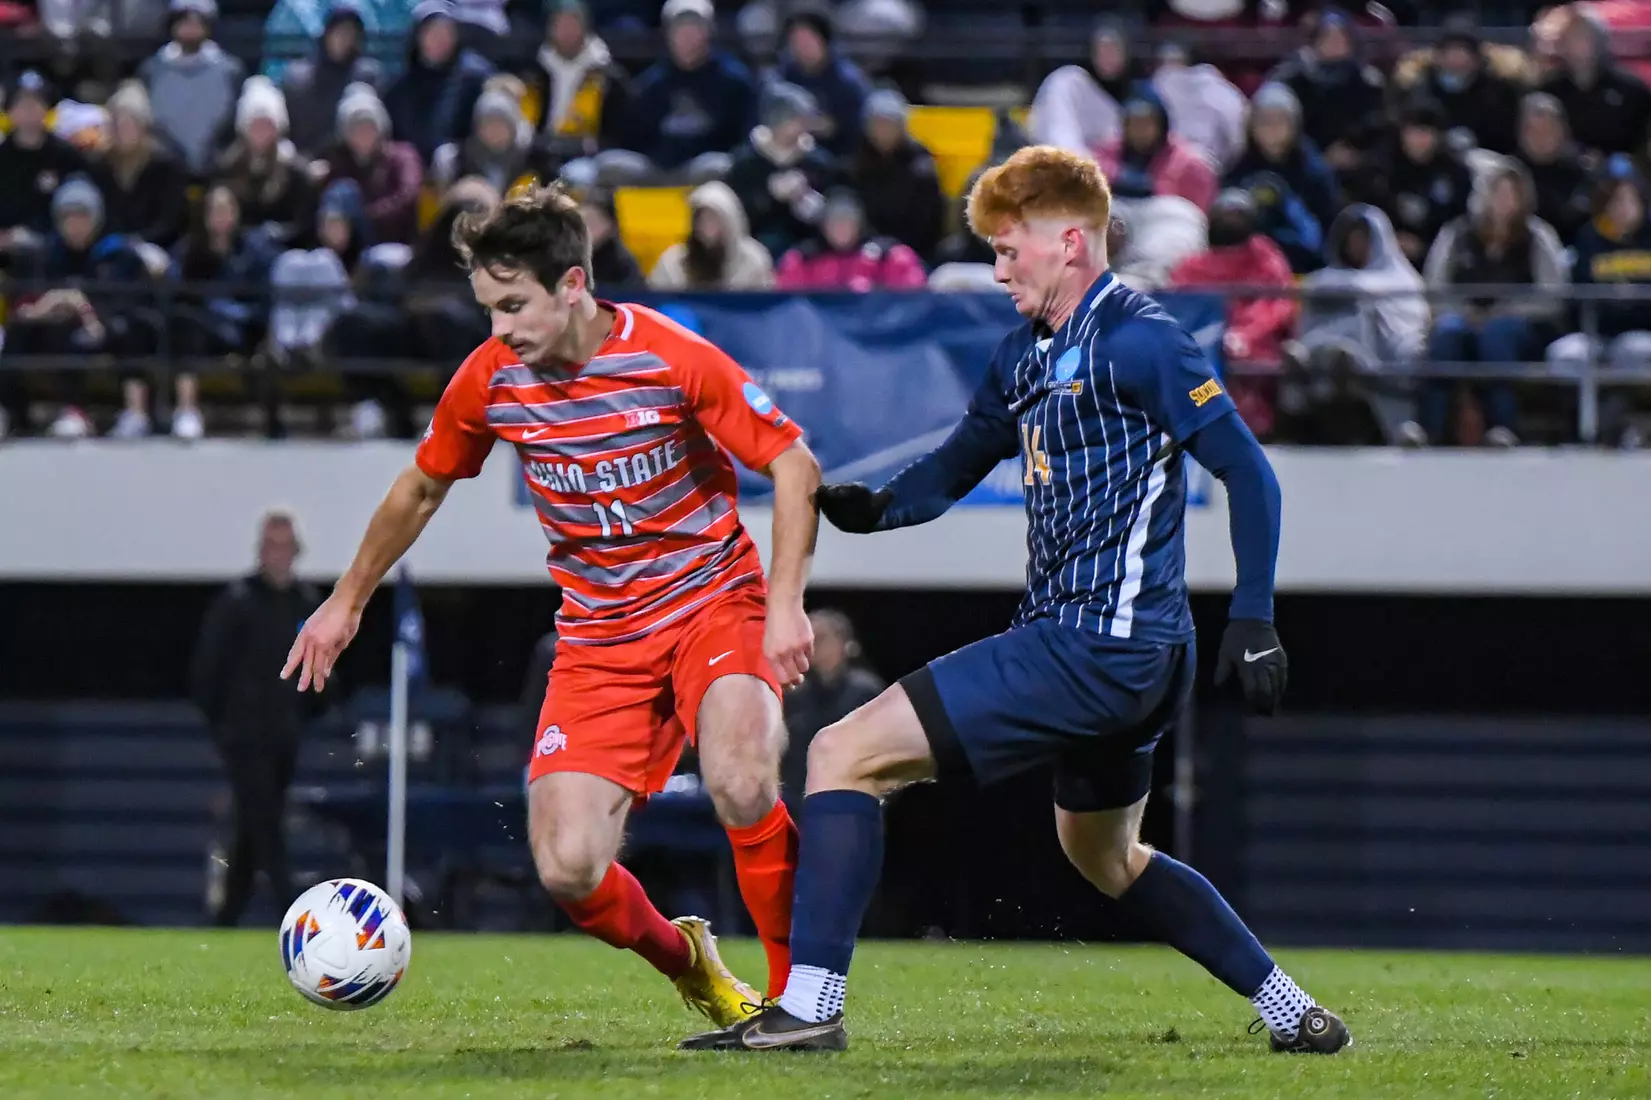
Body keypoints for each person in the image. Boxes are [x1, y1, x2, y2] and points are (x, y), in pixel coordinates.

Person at [680, 146, 1349, 1054]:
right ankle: (1291, 1011)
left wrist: (1256, 615)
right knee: (1104, 856)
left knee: (840, 753)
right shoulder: (1024, 354)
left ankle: (810, 1006)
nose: (996, 271)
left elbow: (1248, 472)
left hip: (1093, 643)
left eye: (1006, 249)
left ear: (1068, 241)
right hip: (1137, 655)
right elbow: (957, 465)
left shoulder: (1141, 339)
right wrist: (876, 510)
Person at [281, 184, 821, 1029]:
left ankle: (801, 1002)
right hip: (600, 638)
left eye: (513, 306)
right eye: (487, 309)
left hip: (712, 604)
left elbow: (793, 464)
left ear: (573, 286)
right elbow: (421, 486)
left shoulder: (670, 357)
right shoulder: (493, 377)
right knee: (568, 868)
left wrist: (785, 604)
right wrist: (344, 604)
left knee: (742, 775)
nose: (499, 328)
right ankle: (692, 966)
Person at [190, 511, 319, 925]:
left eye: (285, 546)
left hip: (285, 735)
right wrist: (226, 729)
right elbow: (207, 672)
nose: (278, 555)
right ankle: (292, 911)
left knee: (253, 824)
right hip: (244, 736)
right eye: (271, 546)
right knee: (266, 819)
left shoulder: (306, 603)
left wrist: (304, 714)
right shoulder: (237, 602)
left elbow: (322, 670)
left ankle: (227, 917)